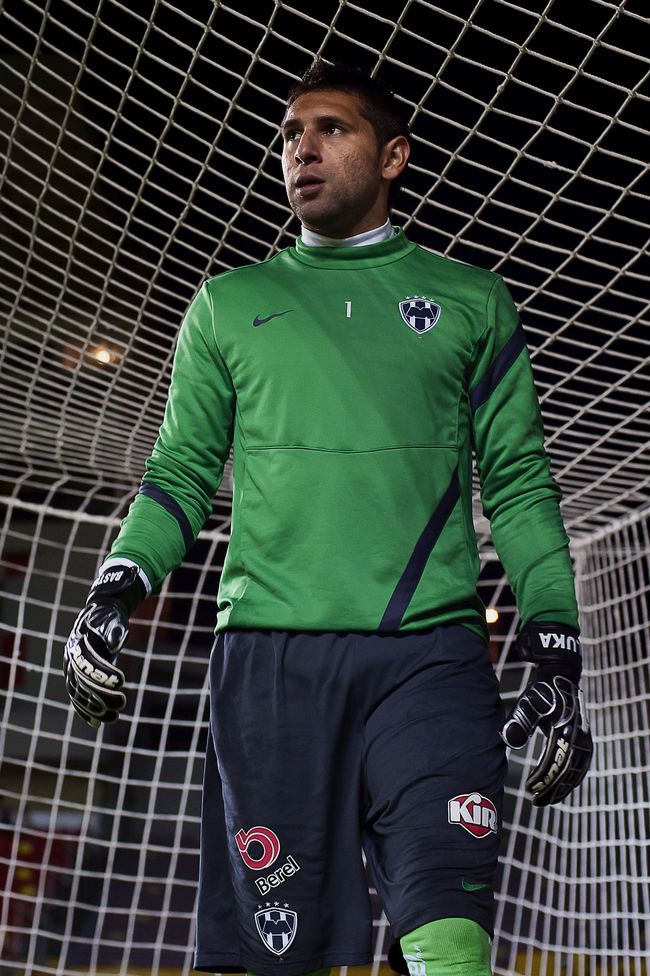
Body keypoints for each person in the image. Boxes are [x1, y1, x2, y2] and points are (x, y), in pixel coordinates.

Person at [63, 60, 593, 976]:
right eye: (289, 134)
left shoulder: (473, 302)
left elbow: (517, 483)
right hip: (270, 663)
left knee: (450, 935)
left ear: (394, 156)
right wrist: (117, 587)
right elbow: (180, 472)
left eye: (331, 129)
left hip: (431, 659)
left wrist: (555, 642)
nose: (301, 148)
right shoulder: (227, 304)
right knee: (280, 956)